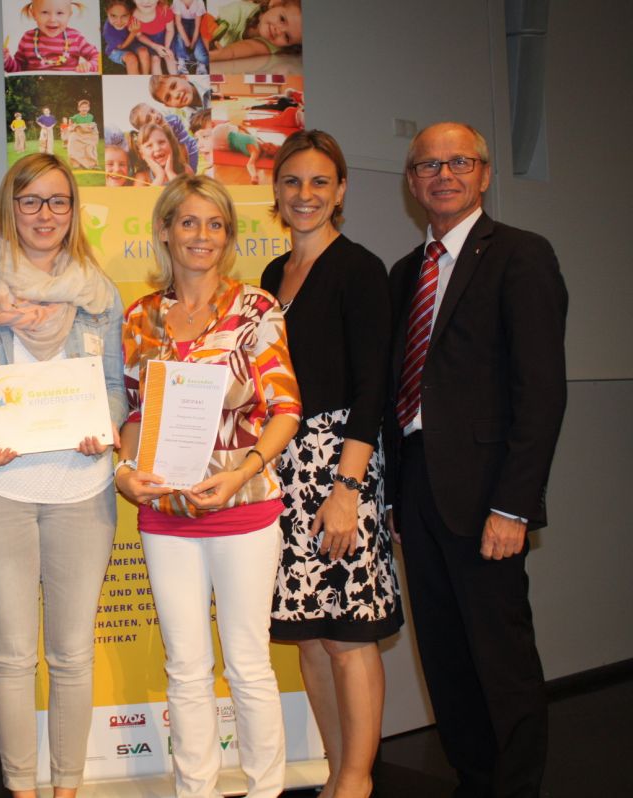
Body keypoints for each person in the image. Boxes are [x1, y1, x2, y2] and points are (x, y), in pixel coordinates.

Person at [385, 122, 567, 798]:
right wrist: (396, 496)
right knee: (445, 657)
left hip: (488, 494)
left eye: (459, 162)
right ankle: (474, 780)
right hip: (418, 489)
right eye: (429, 165)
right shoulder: (405, 273)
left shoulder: (521, 255)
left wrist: (513, 506)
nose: (444, 175)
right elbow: (398, 392)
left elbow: (540, 393)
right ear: (412, 182)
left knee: (501, 660)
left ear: (485, 174)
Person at [117, 174, 300, 798]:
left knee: (248, 664)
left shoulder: (257, 309)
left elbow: (285, 410)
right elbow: (133, 415)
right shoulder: (140, 317)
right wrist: (126, 472)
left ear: (229, 236)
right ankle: (194, 791)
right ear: (165, 230)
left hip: (243, 507)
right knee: (186, 668)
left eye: (215, 224)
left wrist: (242, 473)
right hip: (165, 511)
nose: (202, 235)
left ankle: (265, 791)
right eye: (189, 222)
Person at [0, 153, 125, 798]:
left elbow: (116, 389)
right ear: (11, 208)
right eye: (30, 200)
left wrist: (104, 425)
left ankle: (68, 788)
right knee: (12, 654)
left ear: (73, 211)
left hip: (82, 491)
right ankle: (22, 788)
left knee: (73, 654)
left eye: (58, 201)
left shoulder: (100, 294)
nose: (45, 214)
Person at [262, 130, 400, 798]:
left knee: (349, 633)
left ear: (341, 190)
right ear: (276, 190)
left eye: (320, 181)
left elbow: (374, 389)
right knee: (309, 634)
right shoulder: (271, 276)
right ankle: (337, 767)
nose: (305, 194)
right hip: (286, 469)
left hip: (341, 465)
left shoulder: (360, 269)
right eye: (293, 181)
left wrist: (347, 489)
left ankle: (357, 779)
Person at [4, 0, 100, 73]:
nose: (52, 19)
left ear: (69, 15)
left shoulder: (75, 38)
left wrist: (89, 65)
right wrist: (6, 60)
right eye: (45, 12)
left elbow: (98, 58)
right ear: (34, 14)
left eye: (60, 13)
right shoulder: (27, 39)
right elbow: (17, 70)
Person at [207, 0, 302, 61]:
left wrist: (223, 53)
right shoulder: (240, 9)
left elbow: (249, 47)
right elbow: (214, 28)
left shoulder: (273, 45)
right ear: (275, 4)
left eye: (287, 37)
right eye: (282, 19)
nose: (279, 31)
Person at [136, 121, 194, 185]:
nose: (157, 148)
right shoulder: (142, 178)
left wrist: (170, 172)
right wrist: (160, 175)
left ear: (171, 145)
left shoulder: (185, 170)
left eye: (161, 142)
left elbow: (186, 191)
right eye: (149, 146)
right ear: (142, 155)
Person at [103, 0, 149, 74]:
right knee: (131, 58)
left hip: (132, 44)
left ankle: (145, 76)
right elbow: (121, 46)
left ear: (131, 13)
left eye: (124, 16)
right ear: (107, 12)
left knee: (143, 52)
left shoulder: (134, 18)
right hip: (116, 49)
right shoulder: (108, 31)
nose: (119, 21)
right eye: (113, 16)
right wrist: (133, 33)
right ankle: (135, 79)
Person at [171, 0, 210, 74]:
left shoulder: (199, 2)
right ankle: (181, 61)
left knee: (200, 53)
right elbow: (178, 23)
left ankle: (201, 64)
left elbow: (197, 27)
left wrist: (192, 44)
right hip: (182, 21)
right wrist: (187, 43)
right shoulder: (177, 1)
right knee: (179, 38)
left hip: (195, 22)